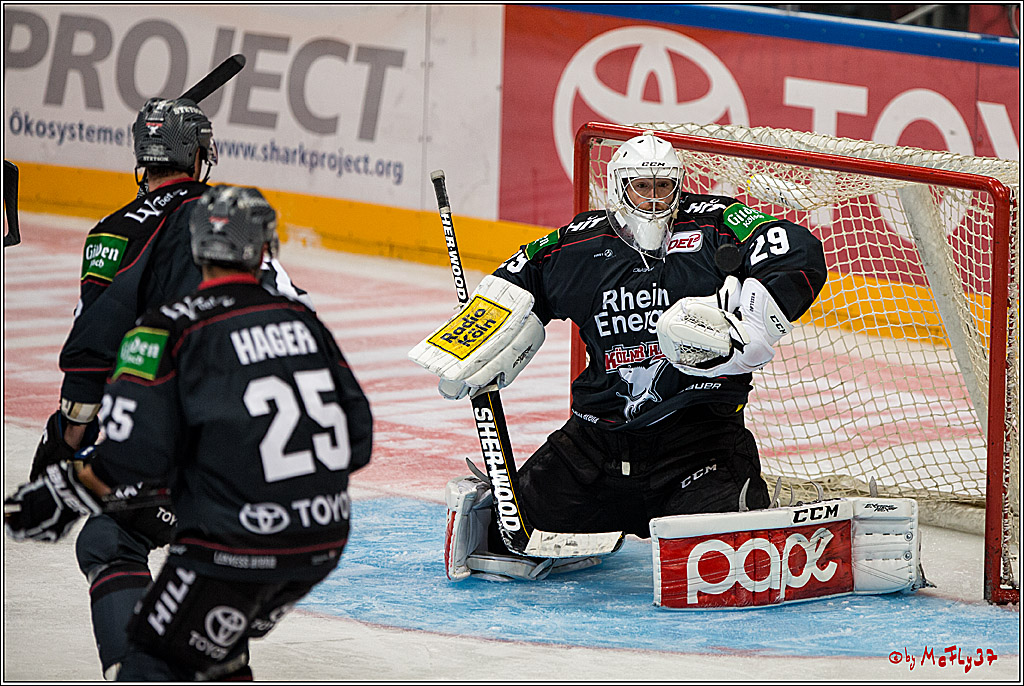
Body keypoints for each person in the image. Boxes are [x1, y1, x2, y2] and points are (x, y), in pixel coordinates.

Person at [411, 133, 828, 581]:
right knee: (501, 540)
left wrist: (749, 326)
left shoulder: (713, 227)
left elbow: (797, 250)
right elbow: (513, 285)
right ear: (617, 186)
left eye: (663, 186)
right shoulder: (578, 247)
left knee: (730, 566)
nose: (653, 199)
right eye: (641, 187)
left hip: (698, 447)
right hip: (593, 450)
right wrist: (471, 344)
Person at [5, 184, 373, 680]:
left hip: (238, 542)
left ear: (196, 246)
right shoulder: (305, 321)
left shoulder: (167, 328)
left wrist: (58, 493)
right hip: (323, 540)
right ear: (264, 249)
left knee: (142, 643)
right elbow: (358, 439)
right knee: (210, 649)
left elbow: (131, 455)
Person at [26, 96, 309, 679]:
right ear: (199, 156)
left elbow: (96, 355)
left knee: (109, 539)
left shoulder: (109, 236)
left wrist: (66, 435)